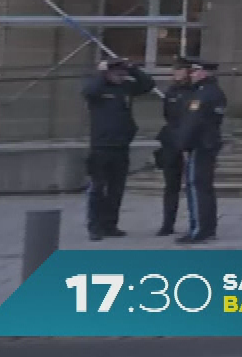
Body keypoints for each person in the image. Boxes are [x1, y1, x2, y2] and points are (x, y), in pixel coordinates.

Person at [81, 57, 155, 239]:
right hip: (101, 147)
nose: (120, 77)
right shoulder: (99, 89)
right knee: (98, 188)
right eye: (117, 73)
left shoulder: (126, 89)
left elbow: (148, 85)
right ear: (108, 73)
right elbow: (88, 91)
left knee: (116, 189)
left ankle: (110, 224)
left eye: (123, 74)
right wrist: (101, 73)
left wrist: (133, 69)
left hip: (121, 146)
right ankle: (95, 226)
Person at [172, 59, 227, 244]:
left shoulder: (203, 94)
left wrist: (182, 144)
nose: (191, 75)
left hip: (200, 145)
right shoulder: (213, 92)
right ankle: (208, 228)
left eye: (195, 72)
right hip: (208, 144)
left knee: (196, 187)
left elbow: (193, 123)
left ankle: (199, 229)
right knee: (205, 188)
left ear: (203, 73)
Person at [154, 58, 193, 236]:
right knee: (171, 186)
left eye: (180, 70)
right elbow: (168, 115)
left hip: (190, 142)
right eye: (175, 70)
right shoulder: (171, 91)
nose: (176, 73)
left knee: (193, 185)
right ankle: (167, 223)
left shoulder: (195, 92)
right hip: (171, 142)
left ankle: (196, 222)